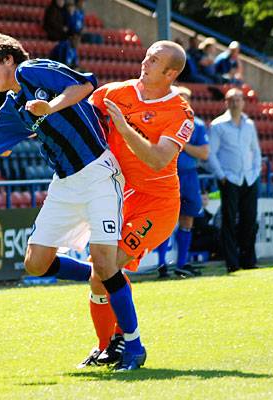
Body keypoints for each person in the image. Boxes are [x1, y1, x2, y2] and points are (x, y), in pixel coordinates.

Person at [0, 32, 146, 371]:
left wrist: (49, 106)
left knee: (104, 259)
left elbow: (84, 85)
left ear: (8, 60)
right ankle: (102, 275)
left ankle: (134, 347)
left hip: (98, 173)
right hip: (65, 183)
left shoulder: (32, 70)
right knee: (36, 263)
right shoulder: (10, 107)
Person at [79, 41, 194, 369]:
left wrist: (124, 127)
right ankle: (107, 347)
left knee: (107, 266)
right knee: (98, 276)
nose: (145, 62)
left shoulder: (180, 113)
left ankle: (126, 344)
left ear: (170, 73)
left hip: (157, 206)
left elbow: (158, 160)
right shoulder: (114, 92)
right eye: (147, 55)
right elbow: (81, 120)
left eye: (154, 60)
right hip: (118, 196)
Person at [156, 85, 209, 278]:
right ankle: (161, 265)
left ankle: (181, 264)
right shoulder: (162, 121)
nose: (183, 101)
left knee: (187, 219)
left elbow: (204, 153)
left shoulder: (198, 124)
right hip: (168, 175)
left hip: (189, 176)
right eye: (180, 97)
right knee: (165, 221)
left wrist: (181, 142)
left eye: (186, 98)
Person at [207, 88, 261, 273]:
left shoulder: (250, 124)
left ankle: (249, 260)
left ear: (243, 102)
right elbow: (211, 153)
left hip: (249, 178)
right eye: (232, 99)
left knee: (250, 219)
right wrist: (221, 175)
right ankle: (232, 262)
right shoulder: (218, 125)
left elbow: (256, 151)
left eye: (239, 99)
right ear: (226, 103)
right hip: (229, 179)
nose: (236, 102)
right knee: (229, 221)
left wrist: (256, 171)